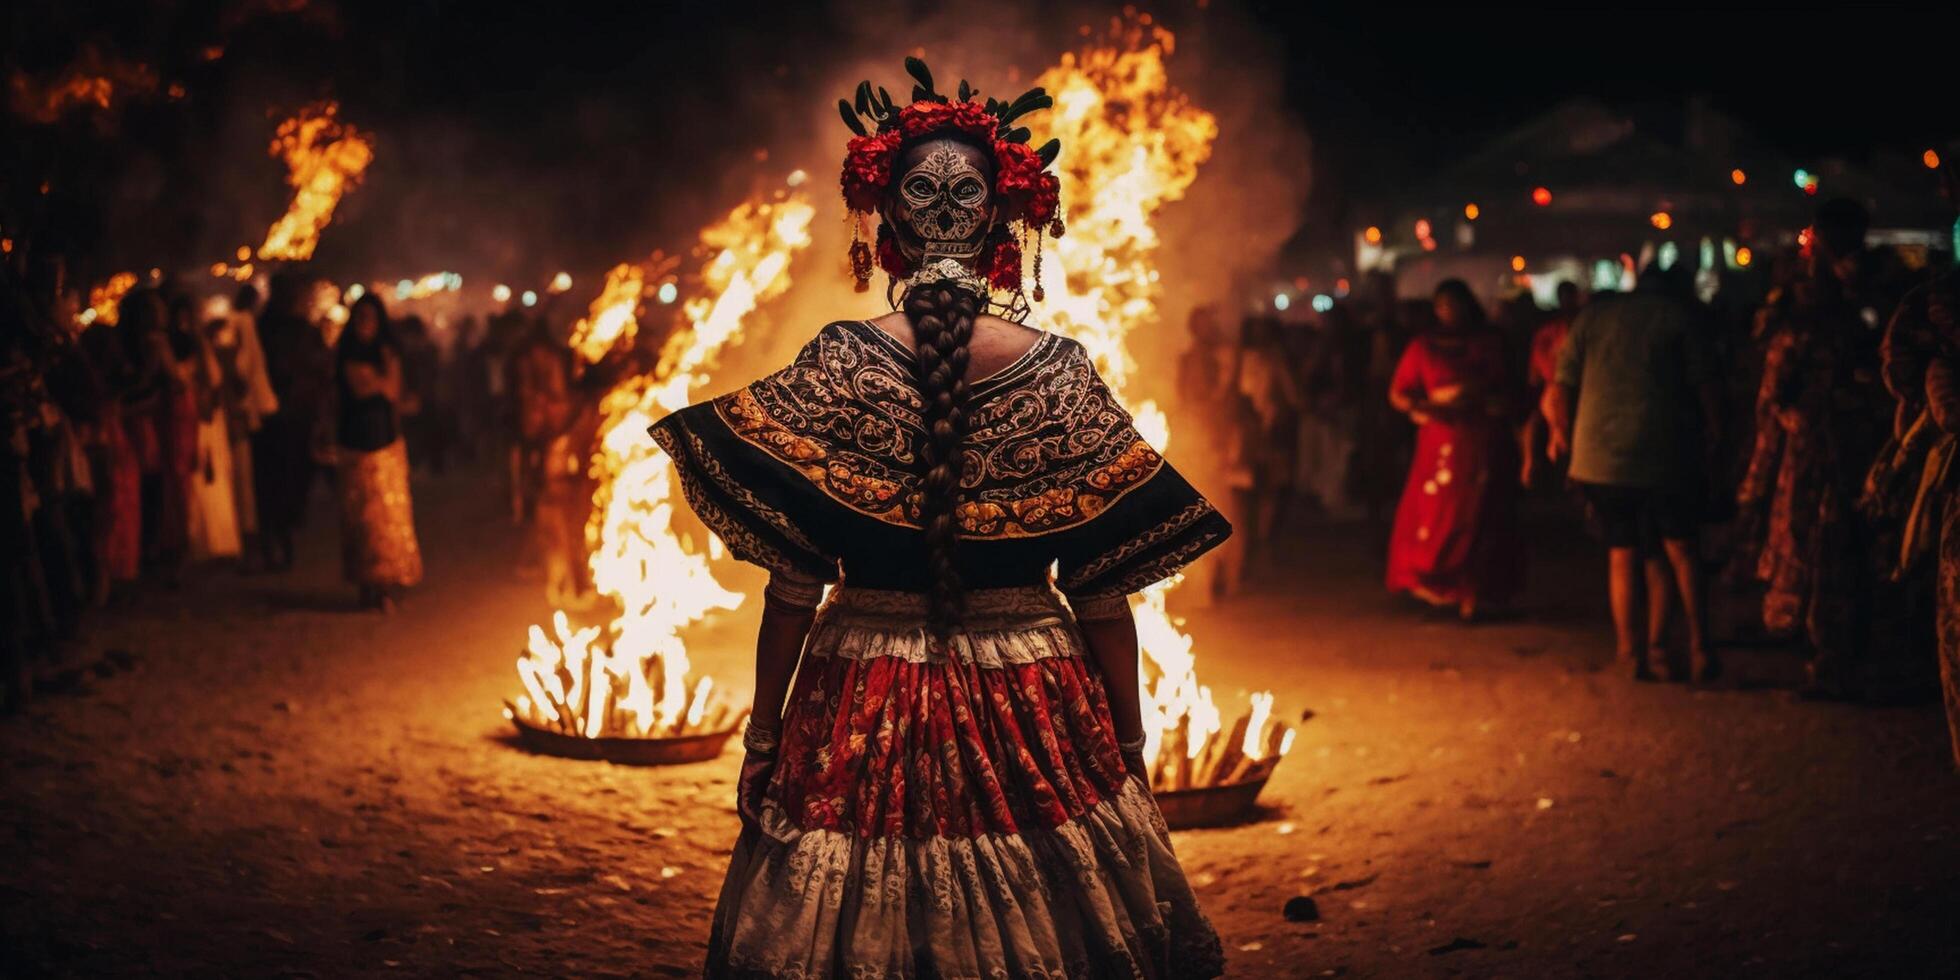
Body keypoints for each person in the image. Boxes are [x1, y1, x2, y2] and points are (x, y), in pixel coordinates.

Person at [652, 62, 1228, 978]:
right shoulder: (1062, 372)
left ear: (885, 226)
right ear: (1004, 224)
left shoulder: (837, 365)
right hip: (1037, 701)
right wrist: (1125, 745)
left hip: (858, 697)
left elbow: (793, 591)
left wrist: (764, 745)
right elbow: (1106, 599)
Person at [1546, 268, 1721, 682]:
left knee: (1622, 554)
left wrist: (1563, 436)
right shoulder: (1679, 317)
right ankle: (1693, 647)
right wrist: (1718, 432)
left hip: (1601, 457)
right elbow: (1706, 383)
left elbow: (1561, 385)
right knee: (1677, 551)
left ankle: (1630, 652)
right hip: (1665, 453)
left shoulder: (1593, 317)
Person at [1385, 280, 1523, 620]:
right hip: (1438, 444)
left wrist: (1478, 397)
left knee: (1476, 513)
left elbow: (1507, 390)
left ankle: (1472, 590)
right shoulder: (1423, 347)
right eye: (1440, 305)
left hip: (1477, 441)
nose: (1447, 312)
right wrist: (1427, 404)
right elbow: (1399, 393)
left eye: (1452, 304)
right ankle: (1433, 581)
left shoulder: (1487, 344)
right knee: (1435, 514)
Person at [332, 294, 423, 611]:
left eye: (370, 318)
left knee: (388, 521)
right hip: (355, 444)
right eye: (360, 318)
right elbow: (362, 388)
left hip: (385, 443)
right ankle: (366, 586)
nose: (365, 325)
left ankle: (385, 585)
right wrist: (380, 381)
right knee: (361, 522)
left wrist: (384, 375)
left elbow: (392, 391)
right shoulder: (346, 354)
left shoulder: (387, 354)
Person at [253, 273, 332, 572]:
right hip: (277, 417)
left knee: (286, 481)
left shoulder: (294, 330)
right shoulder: (266, 329)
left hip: (296, 416)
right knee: (277, 482)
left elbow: (322, 370)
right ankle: (276, 541)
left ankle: (281, 540)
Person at [1523, 280, 1581, 488]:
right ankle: (1531, 466)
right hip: (1555, 390)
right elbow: (1536, 371)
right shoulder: (1548, 332)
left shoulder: (1581, 327)